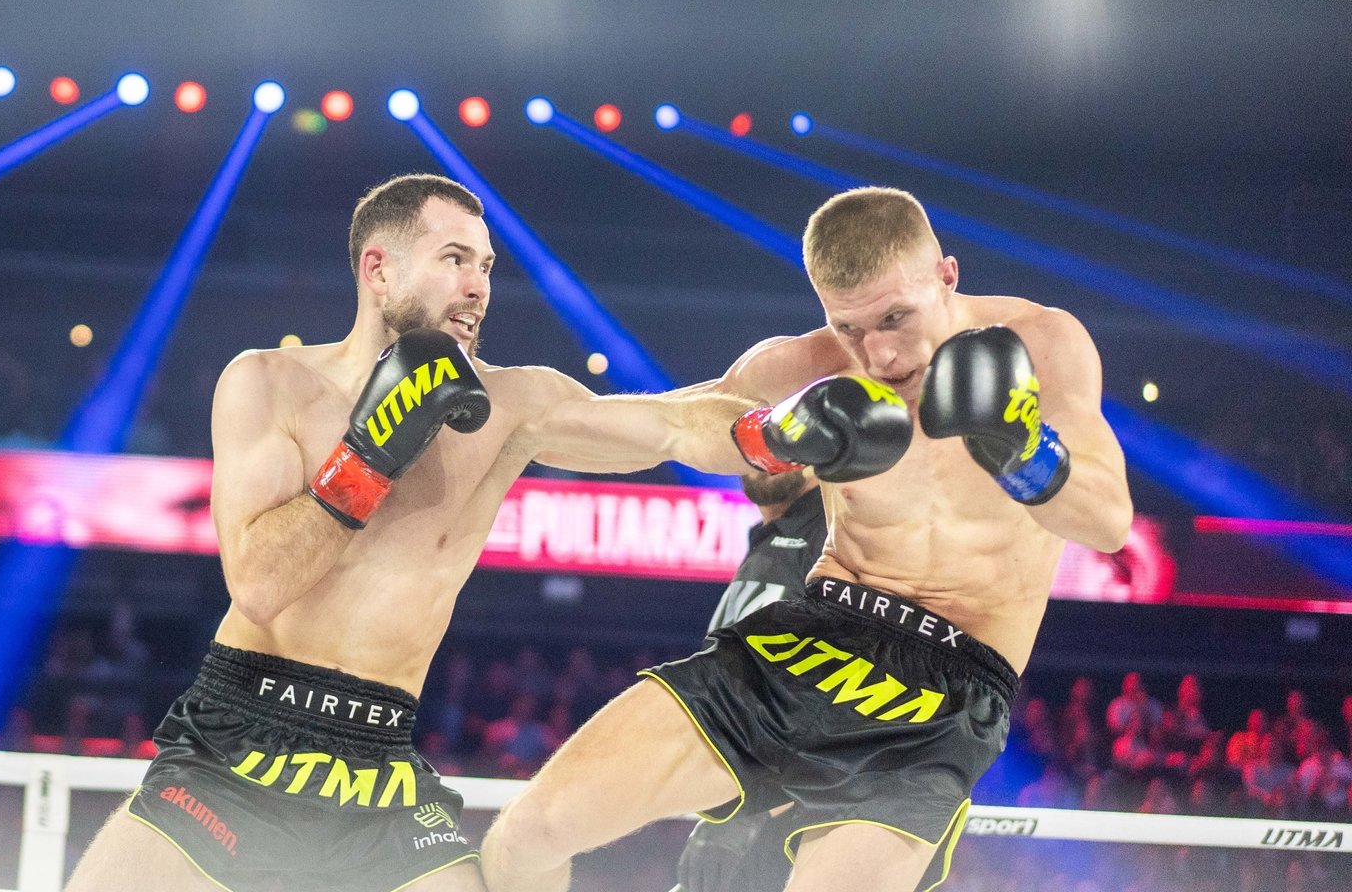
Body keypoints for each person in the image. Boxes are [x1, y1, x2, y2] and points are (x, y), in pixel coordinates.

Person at [64, 173, 898, 892]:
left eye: (487, 266)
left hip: (376, 763)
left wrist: (771, 432)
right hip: (239, 739)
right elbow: (257, 582)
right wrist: (368, 457)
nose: (477, 286)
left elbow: (673, 427)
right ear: (379, 269)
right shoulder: (268, 383)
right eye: (454, 259)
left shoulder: (511, 406)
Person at [480, 185, 1132, 892]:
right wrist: (499, 425)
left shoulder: (1042, 344)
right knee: (525, 837)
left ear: (946, 275)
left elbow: (1108, 523)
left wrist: (1023, 450)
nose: (879, 352)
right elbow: (656, 427)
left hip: (944, 690)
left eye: (895, 317)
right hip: (808, 636)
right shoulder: (807, 368)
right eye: (850, 328)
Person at [673, 468, 824, 892]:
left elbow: (839, 700)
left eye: (790, 440)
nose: (771, 455)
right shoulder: (770, 536)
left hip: (796, 818)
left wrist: (748, 815)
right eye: (761, 442)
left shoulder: (835, 533)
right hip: (750, 802)